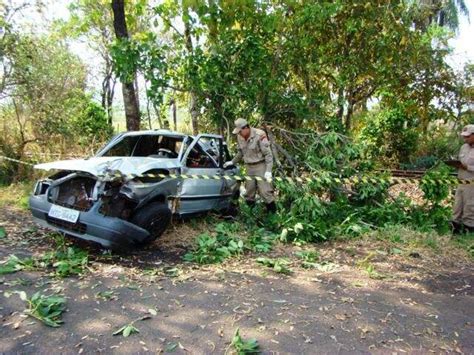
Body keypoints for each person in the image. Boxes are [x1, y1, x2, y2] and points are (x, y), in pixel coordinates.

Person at [224, 118, 276, 213]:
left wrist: (268, 170)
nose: (239, 134)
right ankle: (252, 215)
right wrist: (232, 162)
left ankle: (272, 216)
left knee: (265, 192)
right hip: (249, 167)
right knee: (249, 192)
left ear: (246, 128)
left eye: (240, 131)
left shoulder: (259, 134)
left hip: (261, 166)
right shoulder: (240, 137)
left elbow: (268, 155)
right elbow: (240, 152)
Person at [451, 124, 474, 234]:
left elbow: (467, 166)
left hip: (472, 183)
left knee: (469, 206)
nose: (465, 139)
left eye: (468, 136)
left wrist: (467, 167)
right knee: (457, 206)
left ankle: (468, 230)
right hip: (461, 181)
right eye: (464, 137)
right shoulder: (463, 147)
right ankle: (455, 228)